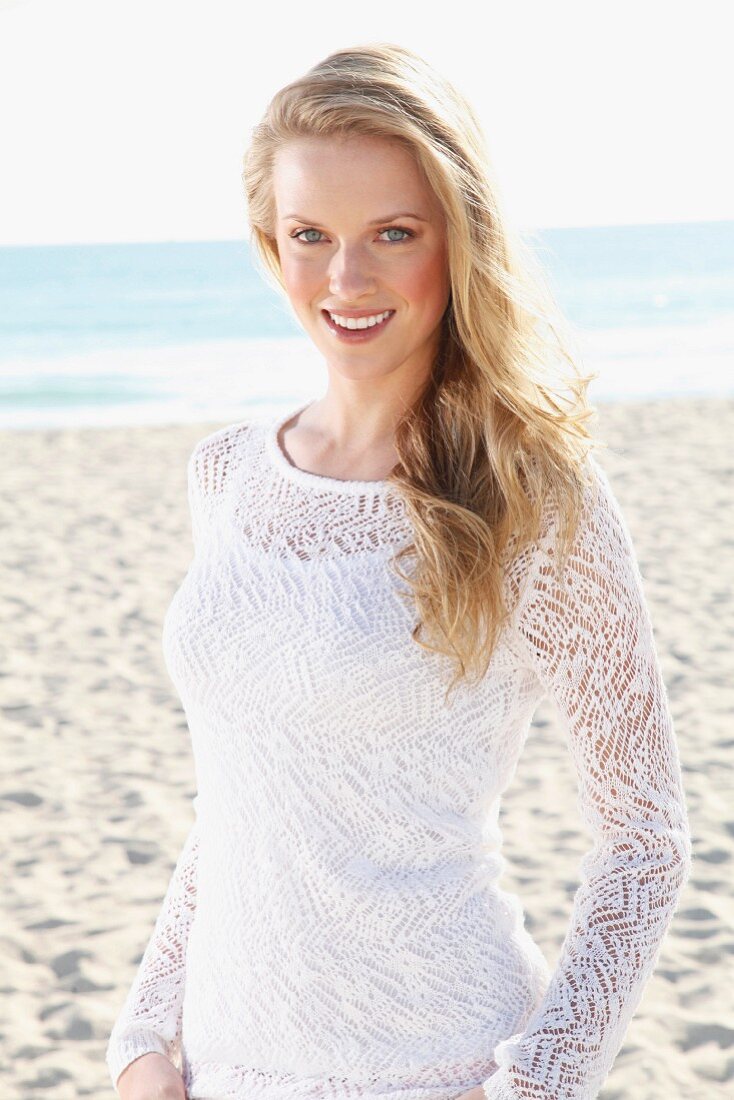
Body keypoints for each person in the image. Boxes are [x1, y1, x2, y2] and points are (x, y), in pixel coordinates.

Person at [105, 42, 692, 1100]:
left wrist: (535, 1081)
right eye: (308, 236)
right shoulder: (226, 475)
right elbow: (246, 790)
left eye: (392, 233)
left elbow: (643, 840)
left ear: (455, 242)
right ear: (267, 243)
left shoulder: (534, 499)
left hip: (439, 1065)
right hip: (218, 1065)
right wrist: (148, 1030)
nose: (346, 278)